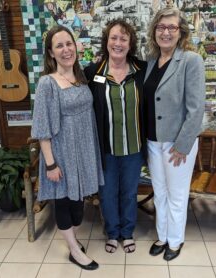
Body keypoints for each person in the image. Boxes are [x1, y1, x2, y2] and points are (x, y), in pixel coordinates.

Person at [31, 25, 104, 270]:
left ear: (76, 46)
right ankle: (74, 249)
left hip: (83, 151)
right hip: (60, 155)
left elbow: (104, 89)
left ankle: (73, 239)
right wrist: (50, 163)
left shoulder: (82, 76)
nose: (65, 50)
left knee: (78, 207)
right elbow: (41, 128)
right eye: (59, 46)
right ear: (51, 53)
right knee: (64, 203)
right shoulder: (47, 84)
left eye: (69, 44)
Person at [144, 7, 205, 261]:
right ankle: (162, 236)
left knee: (177, 195)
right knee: (159, 192)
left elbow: (196, 107)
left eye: (172, 27)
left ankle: (176, 241)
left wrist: (183, 144)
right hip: (153, 141)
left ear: (181, 33)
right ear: (154, 31)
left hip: (177, 143)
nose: (166, 32)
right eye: (161, 27)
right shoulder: (149, 61)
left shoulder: (191, 61)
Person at [84, 19, 147, 254]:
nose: (118, 43)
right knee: (108, 194)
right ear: (106, 41)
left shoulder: (142, 70)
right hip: (106, 149)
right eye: (113, 38)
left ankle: (127, 232)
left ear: (130, 44)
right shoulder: (93, 72)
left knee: (129, 193)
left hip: (134, 148)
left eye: (123, 38)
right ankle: (112, 233)